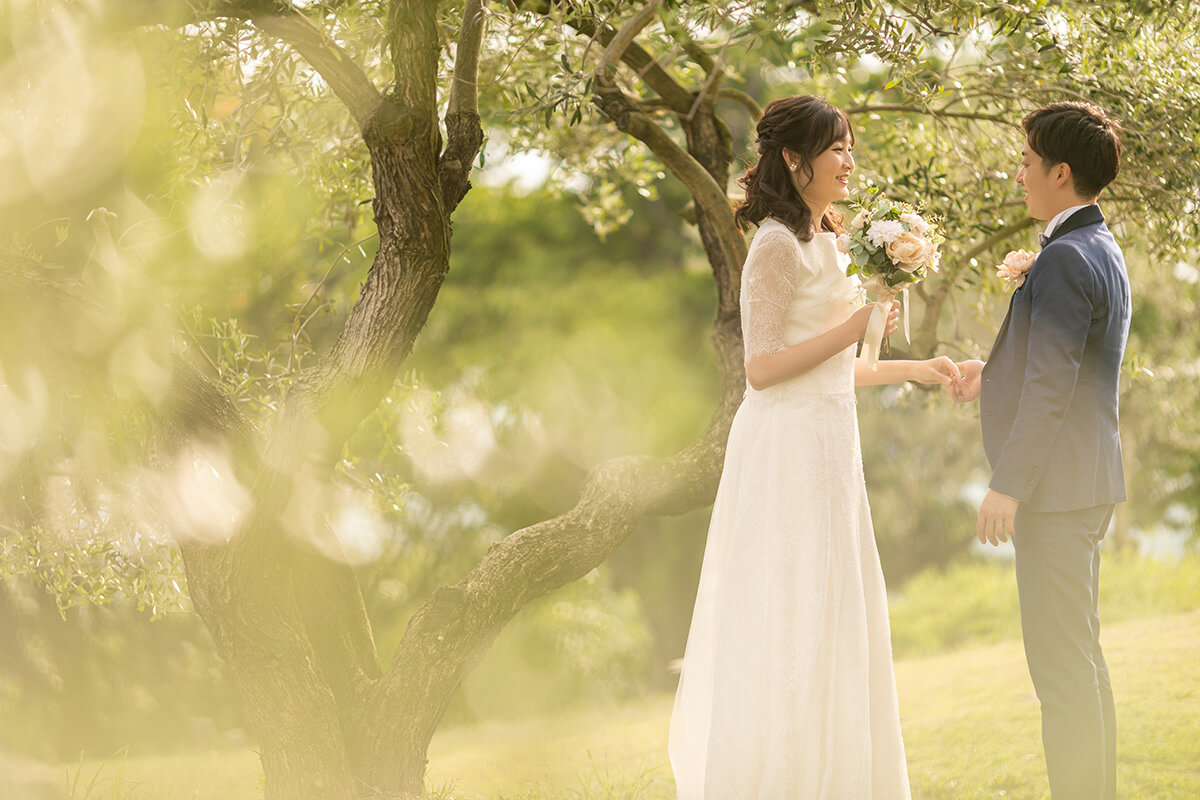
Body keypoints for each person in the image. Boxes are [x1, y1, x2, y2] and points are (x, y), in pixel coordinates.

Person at [668, 94, 958, 799]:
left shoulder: (829, 239)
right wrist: (858, 319)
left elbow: (843, 369)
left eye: (850, 146)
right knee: (793, 609)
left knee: (834, 610)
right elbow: (763, 369)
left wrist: (913, 367)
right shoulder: (772, 244)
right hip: (786, 448)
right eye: (836, 148)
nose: (849, 160)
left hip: (831, 443)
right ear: (794, 159)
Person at [950, 102, 1129, 800]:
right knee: (1080, 659)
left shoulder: (1061, 258)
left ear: (1060, 173)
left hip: (1054, 493)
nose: (1018, 173)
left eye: (1026, 162)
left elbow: (1055, 389)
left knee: (1060, 671)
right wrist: (986, 375)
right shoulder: (1098, 248)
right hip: (1085, 484)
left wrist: (1009, 484)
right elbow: (1063, 368)